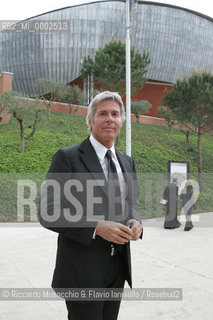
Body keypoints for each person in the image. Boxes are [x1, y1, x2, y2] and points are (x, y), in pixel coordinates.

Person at [39, 91, 143, 320]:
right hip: (82, 272)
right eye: (102, 113)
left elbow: (132, 203)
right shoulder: (67, 158)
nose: (110, 119)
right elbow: (48, 211)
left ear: (122, 121)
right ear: (90, 120)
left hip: (118, 270)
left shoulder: (127, 161)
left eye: (115, 114)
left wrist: (136, 222)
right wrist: (95, 227)